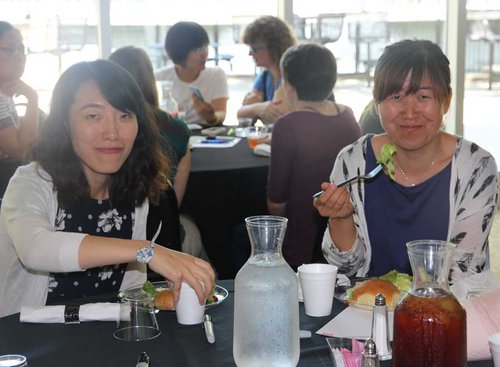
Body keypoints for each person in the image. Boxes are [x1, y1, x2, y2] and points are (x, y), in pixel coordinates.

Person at [0, 60, 215, 317]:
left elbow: (131, 290)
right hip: (29, 341)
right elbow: (36, 248)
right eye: (93, 115)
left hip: (103, 339)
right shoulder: (31, 182)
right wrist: (147, 250)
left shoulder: (134, 189)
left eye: (125, 115)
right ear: (65, 123)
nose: (112, 132)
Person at [313, 39, 498, 281]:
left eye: (423, 96)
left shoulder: (475, 167)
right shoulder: (353, 160)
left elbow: (464, 274)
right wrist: (341, 217)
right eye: (396, 96)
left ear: (447, 100)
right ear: (377, 101)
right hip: (367, 310)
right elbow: (346, 270)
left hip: (443, 310)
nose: (409, 112)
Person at [108, 46, 209, 261]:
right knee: (195, 232)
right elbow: (172, 204)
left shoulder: (101, 134)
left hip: (106, 240)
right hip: (161, 242)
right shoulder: (177, 130)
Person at [267, 43, 361, 269]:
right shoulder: (347, 114)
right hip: (348, 231)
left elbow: (276, 202)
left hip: (301, 240)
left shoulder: (287, 125)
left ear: (288, 85)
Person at [155, 21, 228, 126]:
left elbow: (221, 112)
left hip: (206, 135)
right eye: (197, 50)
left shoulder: (216, 74)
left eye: (205, 47)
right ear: (180, 51)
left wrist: (211, 117)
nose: (204, 54)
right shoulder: (160, 78)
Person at [0, 21, 39, 196]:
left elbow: (22, 146)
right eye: (11, 49)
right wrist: (32, 97)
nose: (20, 56)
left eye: (22, 49)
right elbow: (22, 151)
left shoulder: (5, 95)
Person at [237, 16, 296, 124]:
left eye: (254, 49)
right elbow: (240, 114)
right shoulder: (265, 75)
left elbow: (279, 116)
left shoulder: (292, 76)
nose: (250, 54)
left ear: (274, 48)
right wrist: (258, 108)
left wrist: (254, 107)